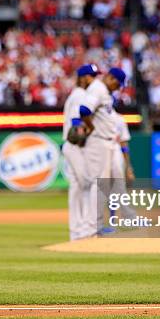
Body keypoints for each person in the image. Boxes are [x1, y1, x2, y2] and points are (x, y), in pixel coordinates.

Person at [79, 67, 126, 237]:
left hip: (105, 143)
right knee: (97, 186)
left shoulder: (103, 90)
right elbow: (84, 110)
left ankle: (95, 227)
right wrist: (90, 127)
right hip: (98, 142)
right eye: (118, 84)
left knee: (102, 187)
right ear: (111, 78)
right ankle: (90, 229)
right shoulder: (98, 88)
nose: (118, 88)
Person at [62, 64, 97, 240]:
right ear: (82, 78)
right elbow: (76, 124)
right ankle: (84, 229)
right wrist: (89, 131)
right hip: (76, 145)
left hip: (71, 146)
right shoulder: (81, 96)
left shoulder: (76, 95)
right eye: (90, 76)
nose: (93, 79)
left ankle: (77, 231)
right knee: (87, 184)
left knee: (77, 186)